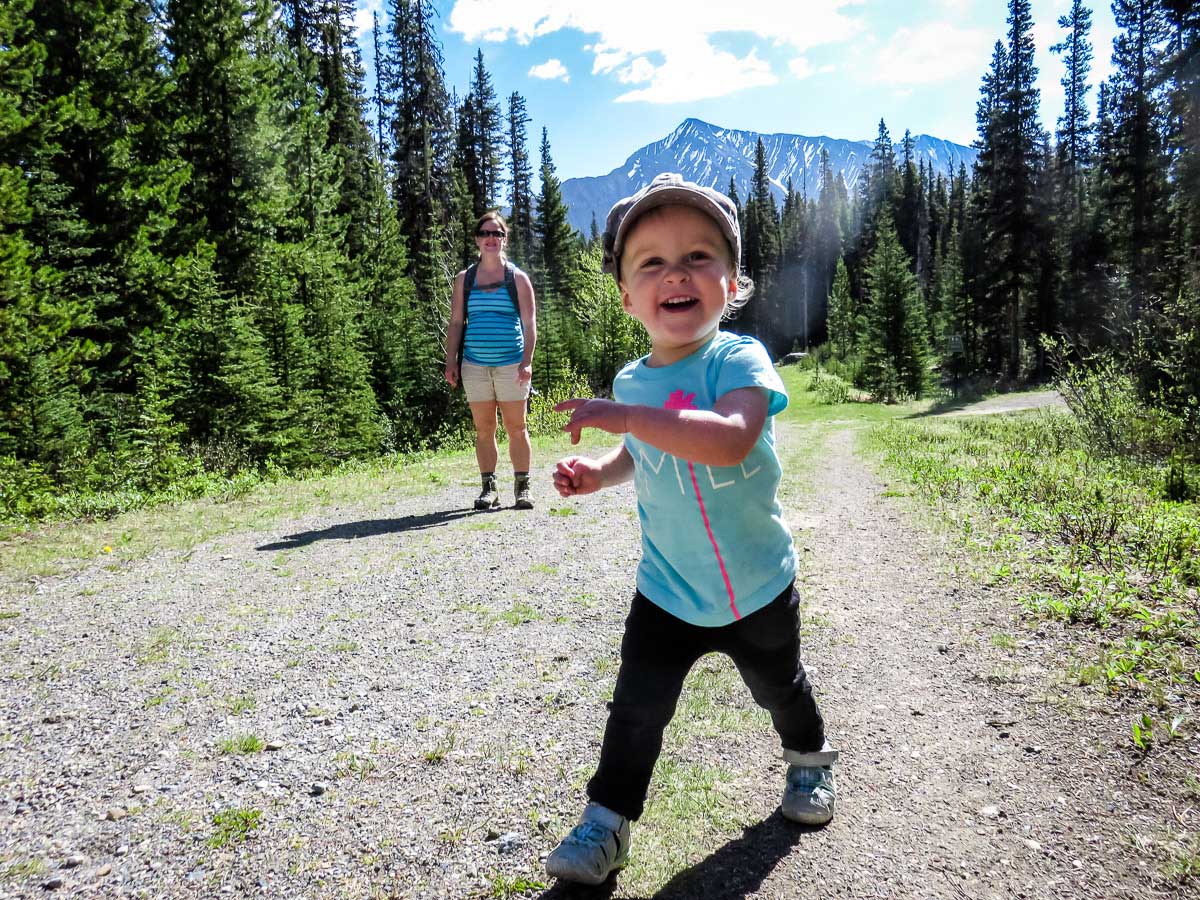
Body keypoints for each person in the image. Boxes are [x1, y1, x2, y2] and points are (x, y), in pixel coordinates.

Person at [544, 174, 838, 886]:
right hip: (667, 590)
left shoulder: (738, 360)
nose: (676, 272)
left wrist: (627, 419)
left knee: (780, 687)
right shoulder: (632, 382)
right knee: (636, 711)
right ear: (627, 296)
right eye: (651, 262)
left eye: (700, 256)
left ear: (733, 284)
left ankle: (808, 762)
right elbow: (642, 453)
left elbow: (731, 438)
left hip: (758, 585)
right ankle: (606, 824)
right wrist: (599, 470)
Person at [444, 212, 538, 510]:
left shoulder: (518, 279)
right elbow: (457, 322)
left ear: (504, 239)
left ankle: (522, 488)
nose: (491, 238)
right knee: (484, 429)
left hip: (512, 364)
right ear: (477, 239)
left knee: (517, 428)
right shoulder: (465, 279)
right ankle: (489, 488)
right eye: (485, 233)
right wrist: (451, 362)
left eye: (497, 233)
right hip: (474, 365)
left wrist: (527, 361)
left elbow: (530, 324)